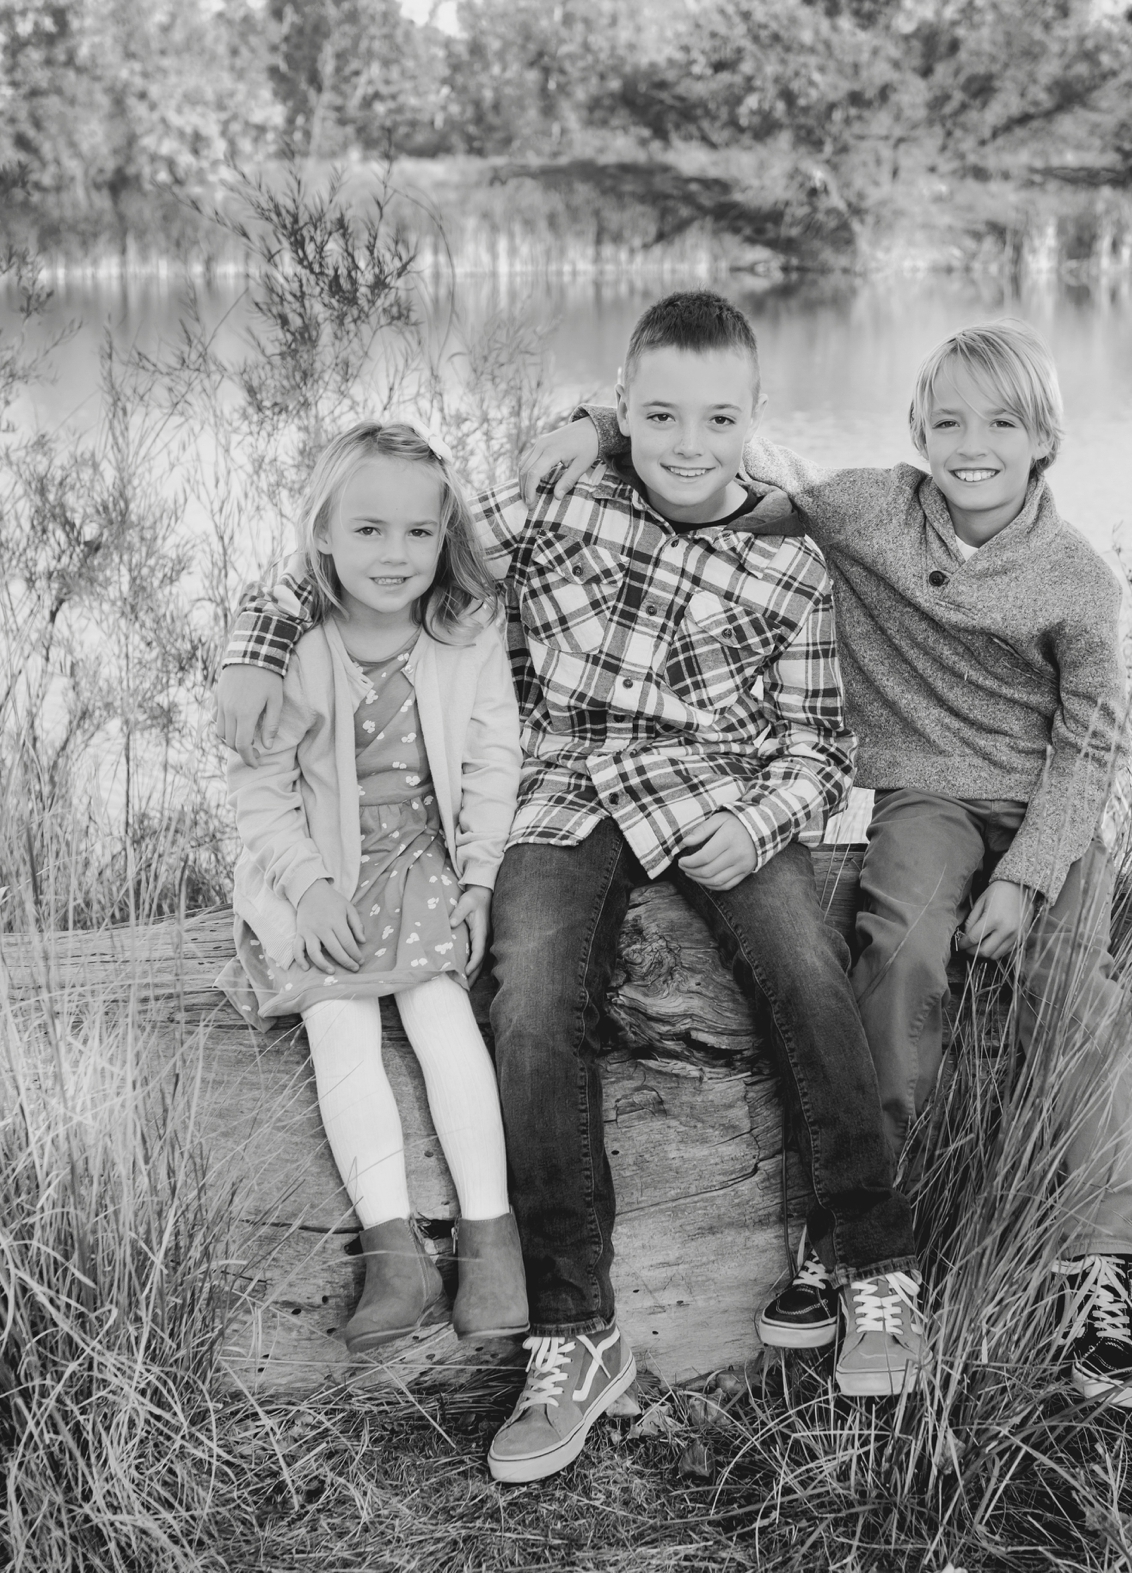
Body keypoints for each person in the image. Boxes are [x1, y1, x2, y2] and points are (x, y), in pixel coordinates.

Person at [216, 292, 925, 1485]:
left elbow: (817, 747)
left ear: (755, 415)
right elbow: (377, 555)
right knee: (532, 996)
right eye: (655, 414)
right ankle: (574, 1331)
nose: (687, 442)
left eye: (717, 418)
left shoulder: (792, 553)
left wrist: (757, 822)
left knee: (806, 967)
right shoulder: (561, 493)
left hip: (719, 792)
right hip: (562, 782)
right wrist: (254, 647)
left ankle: (875, 1265)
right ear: (624, 406)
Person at [519, 320, 1132, 1408]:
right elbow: (713, 478)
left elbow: (1092, 743)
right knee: (901, 947)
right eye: (948, 420)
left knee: (1074, 986)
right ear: (916, 430)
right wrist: (595, 423)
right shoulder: (865, 506)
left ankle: (1104, 1260)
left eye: (1002, 423)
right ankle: (857, 1241)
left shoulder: (1078, 581)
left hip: (1046, 803)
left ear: (1046, 438)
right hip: (918, 792)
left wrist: (1028, 875)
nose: (972, 444)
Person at [221, 421, 528, 1356]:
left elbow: (491, 758)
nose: (395, 555)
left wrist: (479, 878)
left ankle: (491, 1237)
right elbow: (259, 794)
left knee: (442, 1013)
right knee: (337, 1023)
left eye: (418, 533)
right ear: (323, 533)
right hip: (321, 871)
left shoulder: (467, 627)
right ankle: (392, 1247)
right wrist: (310, 891)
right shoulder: (290, 644)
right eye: (367, 531)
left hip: (427, 861)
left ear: (445, 536)